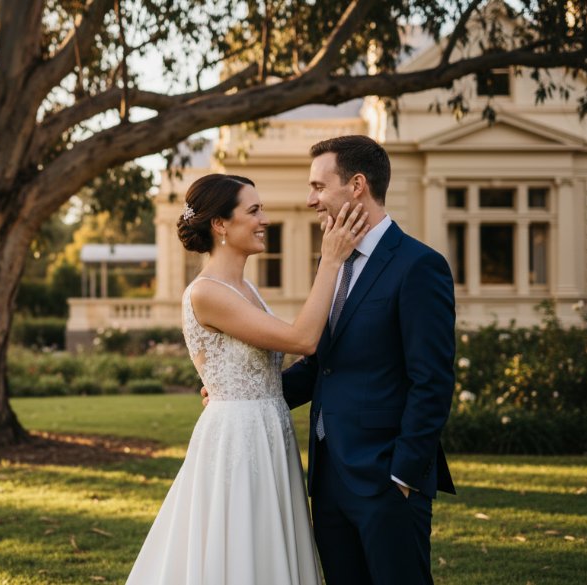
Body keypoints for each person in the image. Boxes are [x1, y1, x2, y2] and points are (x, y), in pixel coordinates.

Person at [125, 173, 369, 585]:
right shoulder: (206, 293)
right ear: (220, 224)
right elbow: (302, 339)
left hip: (269, 428)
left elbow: (265, 366)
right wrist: (330, 260)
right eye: (253, 211)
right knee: (239, 545)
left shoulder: (246, 287)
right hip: (238, 439)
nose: (264, 220)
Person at [278, 135, 457, 584]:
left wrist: (404, 475)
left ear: (356, 185)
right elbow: (324, 364)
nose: (310, 199)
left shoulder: (419, 265)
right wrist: (242, 393)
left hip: (387, 479)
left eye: (319, 186)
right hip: (329, 478)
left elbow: (431, 380)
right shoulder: (334, 261)